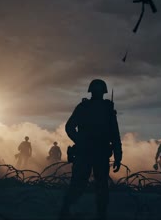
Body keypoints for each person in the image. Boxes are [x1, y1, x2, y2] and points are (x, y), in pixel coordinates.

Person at [59, 79, 122, 220]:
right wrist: (117, 155)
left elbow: (114, 134)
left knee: (91, 185)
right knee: (93, 185)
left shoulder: (89, 107)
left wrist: (80, 141)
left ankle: (69, 210)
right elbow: (115, 135)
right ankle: (70, 211)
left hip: (90, 153)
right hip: (91, 153)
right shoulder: (98, 108)